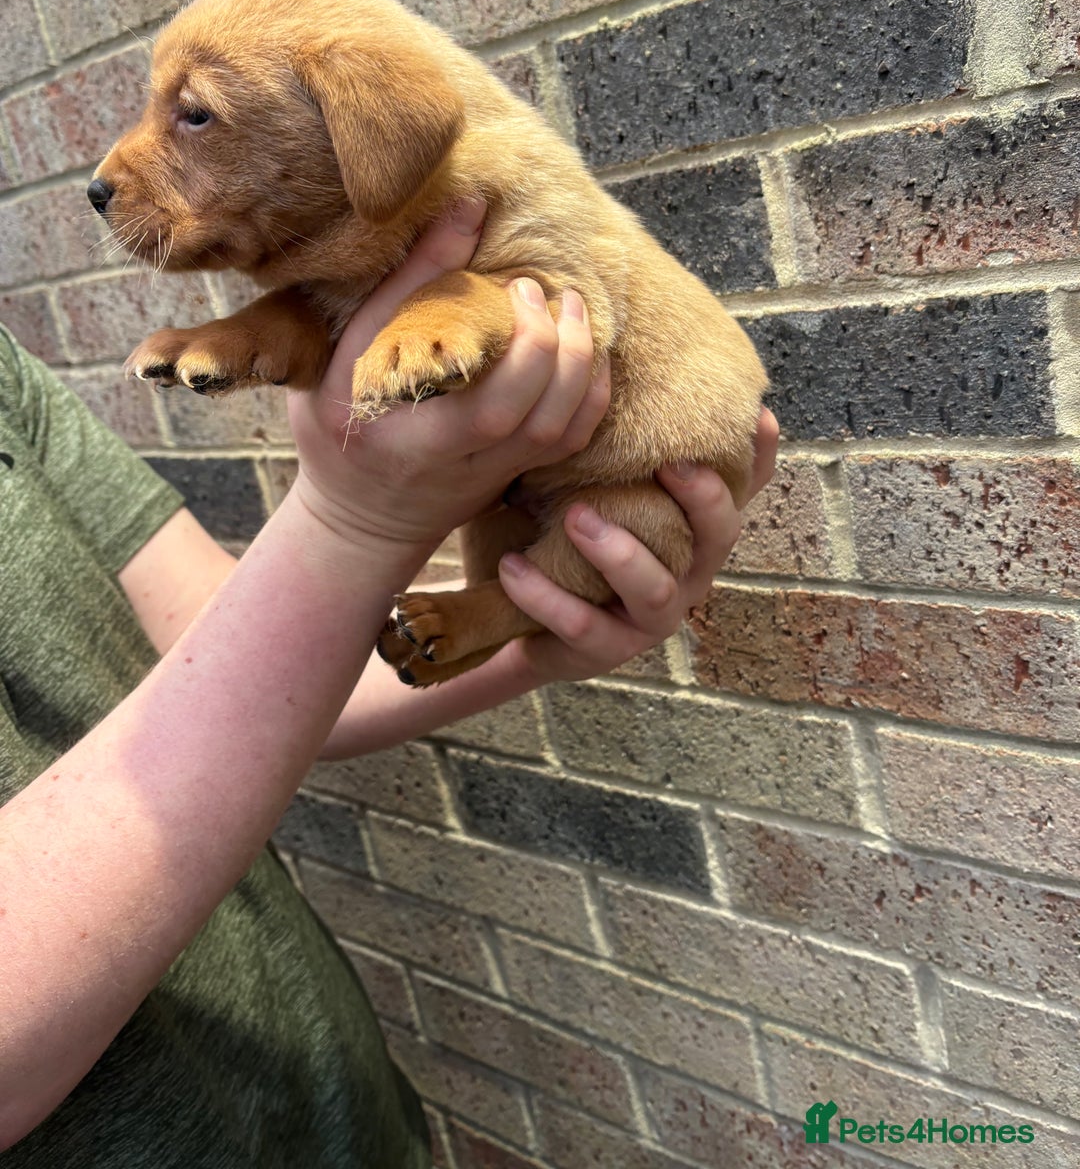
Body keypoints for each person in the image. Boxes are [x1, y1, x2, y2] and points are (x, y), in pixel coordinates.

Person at [0, 195, 778, 1165]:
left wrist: (536, 641)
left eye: (195, 123)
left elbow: (232, 662)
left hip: (332, 1105)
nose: (114, 181)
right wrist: (354, 520)